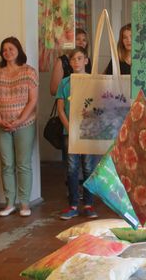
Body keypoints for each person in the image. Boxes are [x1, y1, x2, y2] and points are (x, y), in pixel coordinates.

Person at [0, 37, 38, 217]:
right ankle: (9, 203)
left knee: (23, 164)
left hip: (25, 124)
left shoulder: (29, 71)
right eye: (4, 49)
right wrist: (0, 120)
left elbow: (33, 100)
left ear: (18, 50)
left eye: (11, 48)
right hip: (0, 125)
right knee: (6, 164)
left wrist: (20, 120)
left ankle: (24, 204)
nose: (7, 52)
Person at [56, 47, 99, 220]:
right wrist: (69, 127)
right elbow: (60, 108)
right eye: (73, 59)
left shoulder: (93, 81)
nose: (76, 62)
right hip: (70, 132)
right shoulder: (65, 83)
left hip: (88, 131)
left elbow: (99, 106)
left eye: (80, 58)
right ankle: (73, 204)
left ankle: (88, 204)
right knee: (72, 168)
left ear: (86, 60)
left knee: (89, 167)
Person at [48, 28, 90, 96]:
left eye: (84, 40)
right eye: (77, 39)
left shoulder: (88, 61)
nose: (81, 42)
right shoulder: (61, 61)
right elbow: (53, 90)